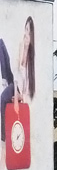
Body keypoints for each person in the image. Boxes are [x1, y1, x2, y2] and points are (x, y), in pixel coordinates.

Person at [0, 16, 35, 144]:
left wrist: (19, 97)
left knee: (3, 98)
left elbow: (28, 86)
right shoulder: (22, 46)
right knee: (2, 52)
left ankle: (4, 137)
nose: (26, 34)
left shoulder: (33, 58)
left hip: (20, 89)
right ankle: (1, 43)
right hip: (15, 81)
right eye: (25, 29)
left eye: (29, 32)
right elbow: (17, 71)